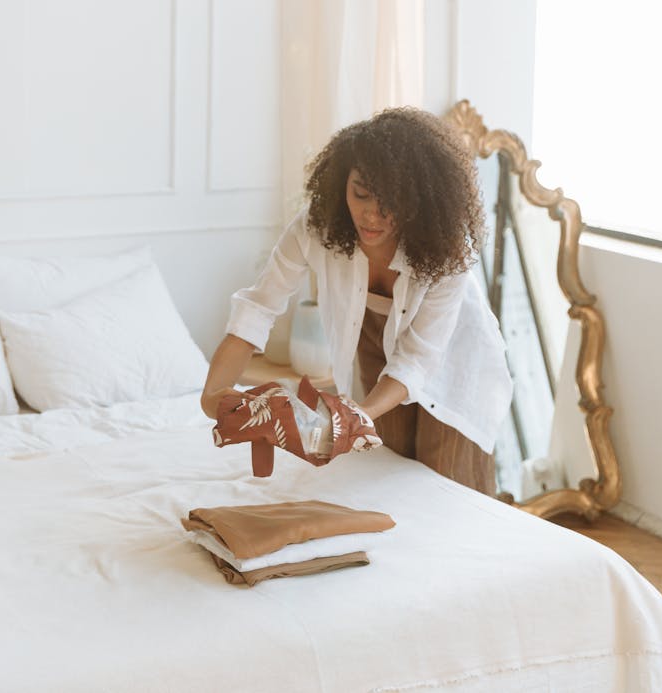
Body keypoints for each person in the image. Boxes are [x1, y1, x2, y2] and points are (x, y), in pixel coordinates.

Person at [200, 107, 512, 495]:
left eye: (389, 203)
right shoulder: (317, 227)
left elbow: (417, 359)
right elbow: (259, 307)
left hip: (450, 356)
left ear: (418, 200)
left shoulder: (446, 252)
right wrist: (212, 394)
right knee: (386, 480)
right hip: (372, 344)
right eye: (360, 194)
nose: (370, 214)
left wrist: (352, 416)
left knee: (449, 492)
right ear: (341, 183)